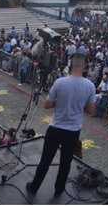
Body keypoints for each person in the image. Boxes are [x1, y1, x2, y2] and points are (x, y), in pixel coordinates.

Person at [26, 52, 96, 198]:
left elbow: (47, 105)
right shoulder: (90, 86)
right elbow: (91, 110)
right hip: (73, 131)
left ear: (71, 65)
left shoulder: (60, 82)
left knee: (45, 160)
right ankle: (59, 189)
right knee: (65, 163)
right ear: (85, 67)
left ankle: (34, 187)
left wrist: (61, 102)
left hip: (56, 128)